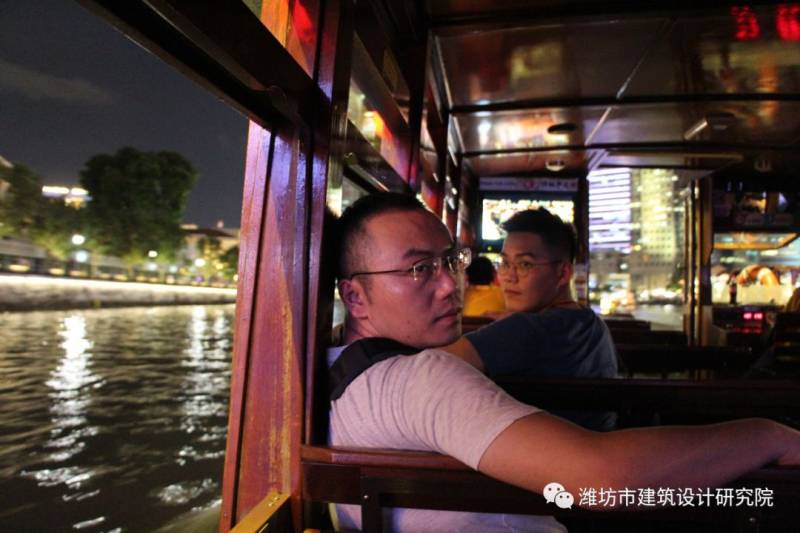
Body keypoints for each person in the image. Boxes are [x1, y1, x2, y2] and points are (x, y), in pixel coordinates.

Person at [329, 192, 800, 532]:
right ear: (354, 296)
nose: (453, 284)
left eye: (451, 261)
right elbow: (606, 477)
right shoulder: (424, 380)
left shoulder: (334, 368)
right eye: (419, 269)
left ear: (563, 272)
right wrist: (768, 434)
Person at [445, 208, 618, 430]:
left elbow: (431, 365)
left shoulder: (527, 330)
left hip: (548, 449)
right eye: (504, 263)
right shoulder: (593, 325)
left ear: (563, 273)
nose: (509, 276)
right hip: (592, 442)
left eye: (525, 264)